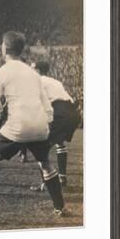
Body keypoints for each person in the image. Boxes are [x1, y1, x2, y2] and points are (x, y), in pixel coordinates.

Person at [0, 31, 66, 223]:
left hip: (18, 126)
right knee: (45, 163)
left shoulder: (2, 72)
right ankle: (60, 206)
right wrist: (46, 124)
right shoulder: (33, 74)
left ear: (4, 47)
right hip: (41, 125)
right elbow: (47, 106)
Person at [29, 60, 80, 191]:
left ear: (38, 71)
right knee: (59, 142)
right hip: (73, 112)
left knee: (40, 148)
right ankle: (62, 177)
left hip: (59, 111)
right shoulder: (55, 81)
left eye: (32, 68)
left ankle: (47, 184)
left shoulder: (37, 81)